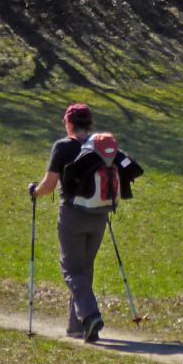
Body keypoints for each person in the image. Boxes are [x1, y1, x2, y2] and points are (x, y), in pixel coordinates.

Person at [27, 103, 142, 343]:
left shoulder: (63, 146)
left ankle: (90, 316)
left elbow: (48, 186)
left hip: (73, 214)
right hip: (100, 214)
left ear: (68, 123)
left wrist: (34, 192)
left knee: (70, 269)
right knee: (85, 268)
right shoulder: (101, 148)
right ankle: (77, 327)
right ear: (89, 123)